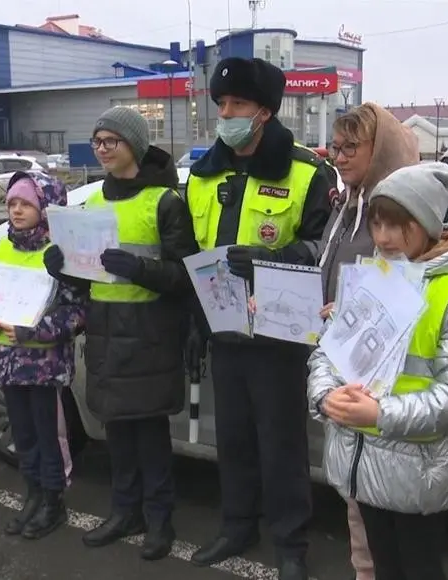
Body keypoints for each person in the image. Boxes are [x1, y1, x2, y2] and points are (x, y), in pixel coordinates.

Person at [183, 56, 334, 579]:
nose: (226, 113)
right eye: (221, 103)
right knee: (235, 438)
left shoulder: (309, 171)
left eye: (238, 104)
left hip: (278, 335)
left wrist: (276, 260)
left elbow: (324, 247)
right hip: (223, 331)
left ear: (265, 112)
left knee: (282, 445)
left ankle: (291, 544)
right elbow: (190, 253)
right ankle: (236, 524)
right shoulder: (203, 175)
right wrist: (193, 325)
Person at [308, 162, 448, 580]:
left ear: (426, 224)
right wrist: (324, 396)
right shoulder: (372, 279)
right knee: (385, 567)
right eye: (377, 224)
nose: (384, 238)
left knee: (419, 568)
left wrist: (380, 415)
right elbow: (326, 355)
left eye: (398, 225)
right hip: (365, 464)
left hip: (418, 471)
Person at [43, 106, 198, 560]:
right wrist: (63, 268)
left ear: (135, 145)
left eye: (111, 141)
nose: (103, 149)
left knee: (149, 436)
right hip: (105, 331)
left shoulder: (165, 201)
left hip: (150, 333)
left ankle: (159, 519)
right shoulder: (90, 204)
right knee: (117, 433)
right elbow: (83, 274)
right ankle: (124, 509)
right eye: (98, 142)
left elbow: (185, 274)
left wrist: (142, 270)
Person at [315, 103, 420, 580]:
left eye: (351, 146)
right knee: (358, 501)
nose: (339, 156)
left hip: (386, 382)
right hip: (346, 365)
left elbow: (408, 294)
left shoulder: (399, 213)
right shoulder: (348, 204)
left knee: (386, 518)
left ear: (381, 150)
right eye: (336, 146)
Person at [0, 170, 87, 540]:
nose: (17, 210)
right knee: (23, 437)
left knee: (50, 437)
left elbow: (76, 312)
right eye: (11, 203)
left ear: (47, 207)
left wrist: (33, 332)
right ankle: (33, 495)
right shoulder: (2, 246)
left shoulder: (60, 253)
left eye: (26, 203)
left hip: (44, 364)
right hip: (7, 361)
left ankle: (53, 502)